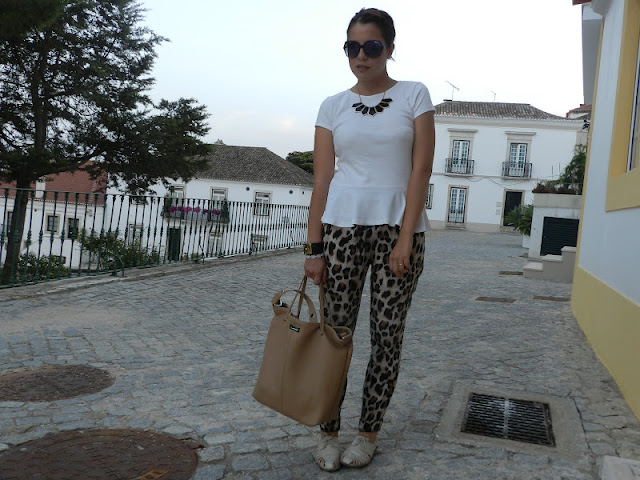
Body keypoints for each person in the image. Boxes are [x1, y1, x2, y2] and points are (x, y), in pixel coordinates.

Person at [303, 7, 436, 472]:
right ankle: (328, 433)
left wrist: (405, 238)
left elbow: (420, 169)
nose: (361, 56)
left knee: (386, 336)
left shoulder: (414, 95)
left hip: (399, 232)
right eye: (352, 47)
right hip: (341, 230)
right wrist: (314, 248)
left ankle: (368, 433)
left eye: (372, 47)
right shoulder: (332, 106)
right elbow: (322, 179)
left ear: (389, 49)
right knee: (335, 337)